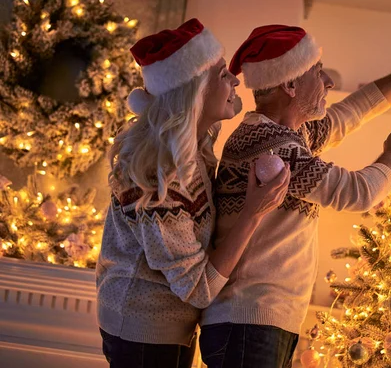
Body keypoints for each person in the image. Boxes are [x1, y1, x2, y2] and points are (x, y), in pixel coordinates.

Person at [200, 25, 391, 368]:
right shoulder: (271, 145)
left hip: (259, 321)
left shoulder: (289, 133)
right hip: (248, 322)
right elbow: (357, 193)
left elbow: (356, 109)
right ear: (290, 84)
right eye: (317, 72)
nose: (327, 81)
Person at [95, 19, 290, 368]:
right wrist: (253, 212)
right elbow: (198, 288)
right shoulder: (160, 179)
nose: (234, 78)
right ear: (193, 93)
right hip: (144, 336)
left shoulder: (196, 145)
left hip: (168, 330)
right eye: (221, 74)